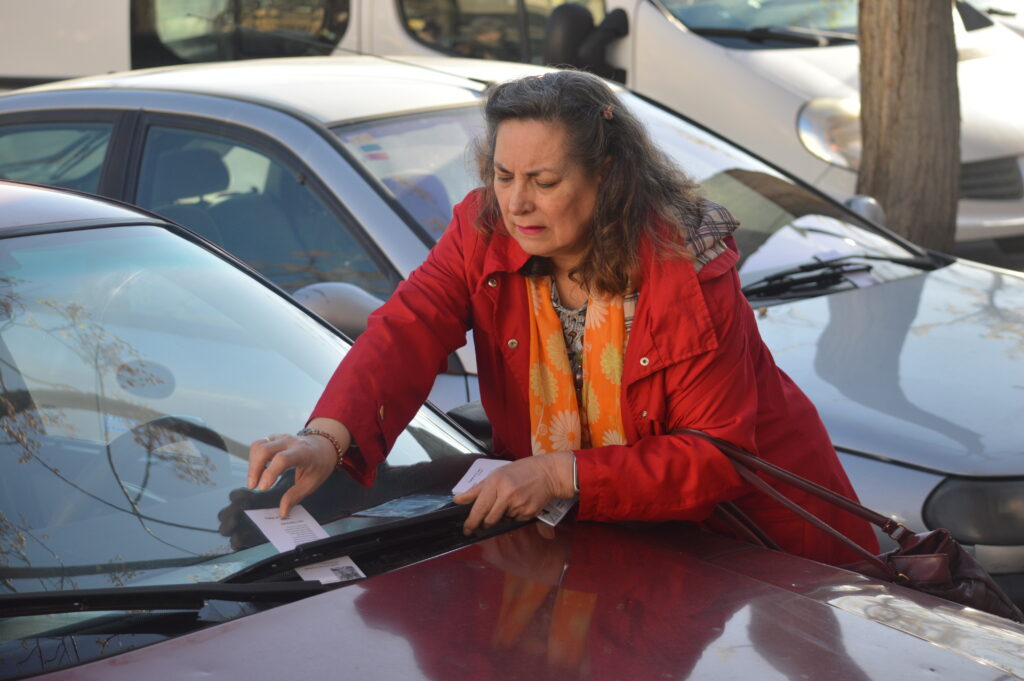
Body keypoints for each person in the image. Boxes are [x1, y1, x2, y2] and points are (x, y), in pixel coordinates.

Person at [247, 70, 879, 566]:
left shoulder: (684, 267)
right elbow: (405, 330)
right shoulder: (481, 229)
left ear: (607, 176)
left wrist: (558, 472)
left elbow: (712, 459)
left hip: (758, 540)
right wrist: (327, 436)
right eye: (503, 175)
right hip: (605, 539)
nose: (517, 202)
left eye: (543, 181)